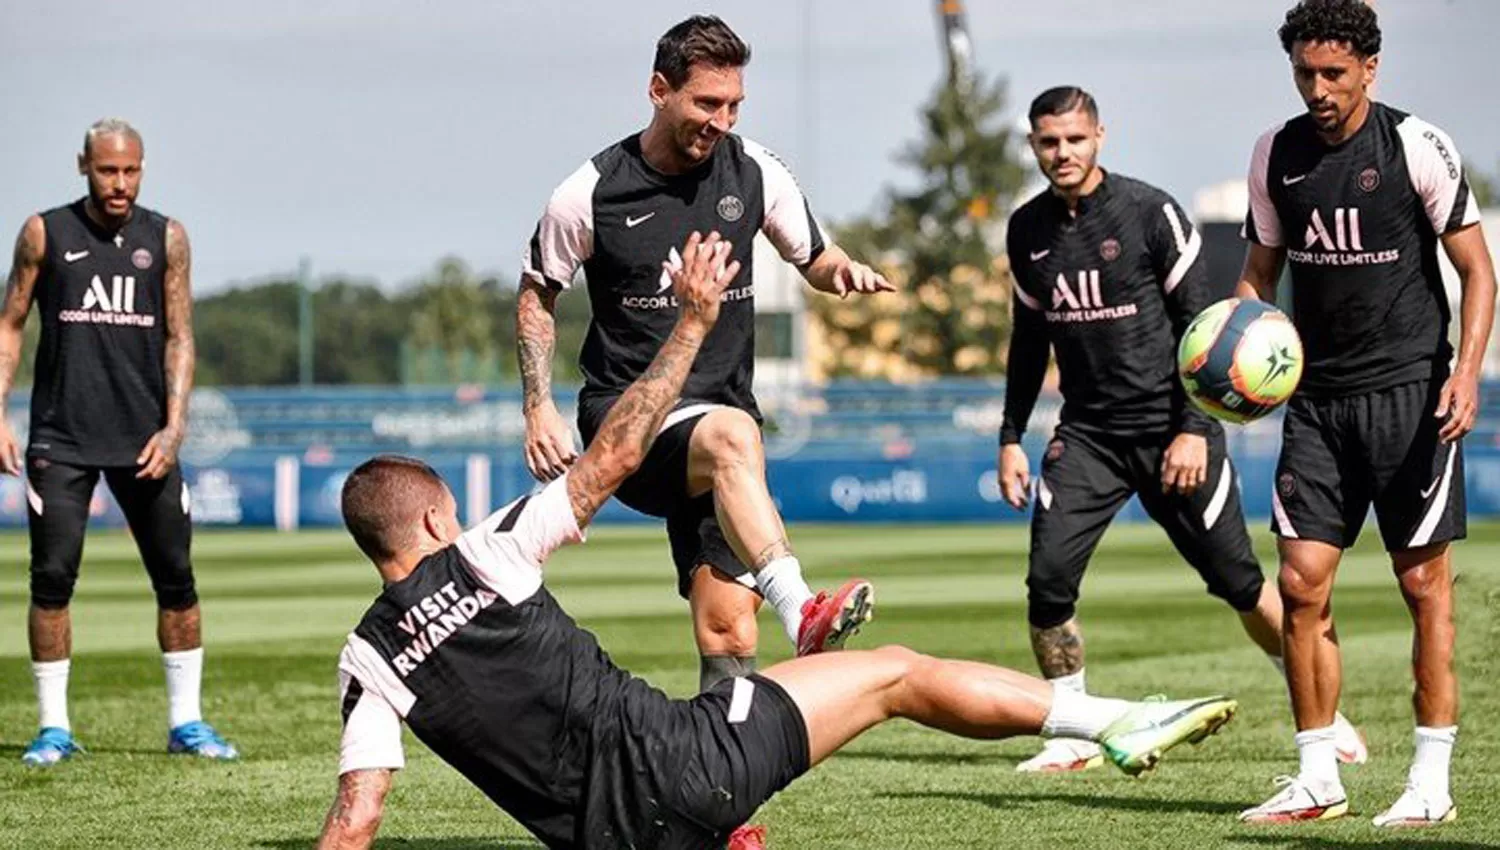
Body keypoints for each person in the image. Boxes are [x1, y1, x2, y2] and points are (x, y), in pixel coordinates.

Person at [317, 232, 1239, 850]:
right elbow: (618, 451)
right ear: (436, 519)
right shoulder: (489, 549)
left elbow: (357, 820)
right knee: (894, 674)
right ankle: (1114, 720)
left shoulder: (367, 659)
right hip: (694, 767)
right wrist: (692, 322)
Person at [516, 15, 894, 695]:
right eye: (706, 103)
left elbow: (813, 254)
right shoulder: (589, 192)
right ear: (659, 90)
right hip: (628, 424)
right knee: (730, 433)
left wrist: (842, 272)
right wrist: (538, 406)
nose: (721, 119)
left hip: (725, 439)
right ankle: (803, 607)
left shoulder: (754, 171)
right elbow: (537, 292)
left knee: (729, 629)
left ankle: (721, 794)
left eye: (733, 105)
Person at [998, 86, 1364, 774]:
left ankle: (1326, 710)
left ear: (1100, 136)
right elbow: (1027, 341)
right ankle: (1075, 731)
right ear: (1034, 145)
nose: (1062, 153)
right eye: (1049, 142)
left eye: (1074, 139)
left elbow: (1208, 322)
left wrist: (1193, 428)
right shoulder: (1026, 231)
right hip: (1088, 437)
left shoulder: (1148, 212)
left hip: (1175, 431)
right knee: (1047, 583)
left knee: (1241, 583)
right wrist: (1011, 434)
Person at [1235, 0, 1495, 826]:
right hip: (1316, 405)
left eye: (1334, 74)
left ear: (1370, 70)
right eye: (1305, 73)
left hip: (1413, 399)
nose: (1318, 88)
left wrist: (1466, 373)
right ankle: (1318, 776)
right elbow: (1257, 276)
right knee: (1300, 583)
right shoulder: (1275, 154)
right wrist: (1239, 354)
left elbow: (1479, 274)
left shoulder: (1417, 145)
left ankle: (1430, 783)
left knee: (1424, 586)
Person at [0, 119, 237, 765]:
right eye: (109, 170)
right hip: (62, 439)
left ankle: (186, 723)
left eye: (132, 170)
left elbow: (180, 336)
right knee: (51, 583)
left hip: (146, 442)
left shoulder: (167, 237)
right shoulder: (45, 232)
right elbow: (11, 324)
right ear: (84, 166)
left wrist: (174, 426)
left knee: (177, 581)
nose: (121, 184)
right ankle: (54, 728)